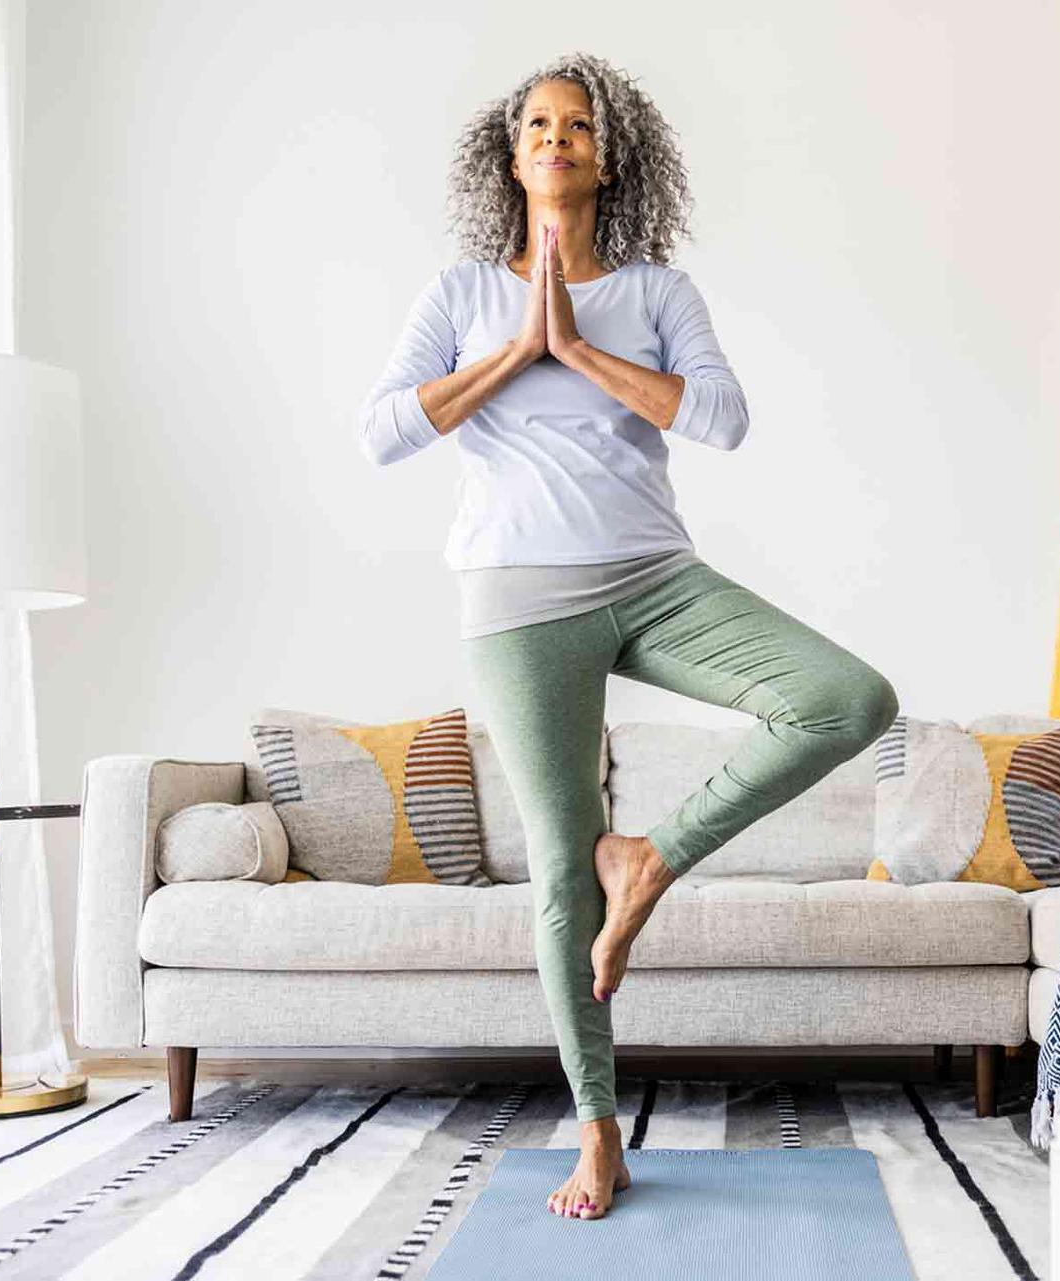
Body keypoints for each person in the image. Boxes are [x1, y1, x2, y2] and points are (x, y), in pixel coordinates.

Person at [359, 51, 899, 1222]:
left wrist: (583, 350)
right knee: (558, 868)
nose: (557, 139)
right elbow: (384, 433)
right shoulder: (458, 293)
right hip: (517, 598)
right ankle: (598, 1132)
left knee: (848, 699)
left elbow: (724, 419)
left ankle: (649, 857)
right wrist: (516, 349)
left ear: (611, 156)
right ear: (510, 157)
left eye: (579, 126)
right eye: (538, 125)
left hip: (655, 577)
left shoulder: (655, 292)